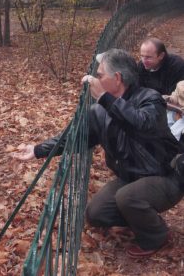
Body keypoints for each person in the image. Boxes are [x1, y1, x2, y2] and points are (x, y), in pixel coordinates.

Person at [13, 48, 184, 258]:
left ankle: (157, 236)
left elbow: (140, 123)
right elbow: (75, 137)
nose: (94, 78)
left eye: (100, 74)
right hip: (131, 177)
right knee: (97, 214)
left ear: (117, 78)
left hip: (164, 176)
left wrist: (104, 97)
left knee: (127, 197)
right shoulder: (100, 111)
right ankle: (142, 217)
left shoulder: (150, 99)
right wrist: (38, 149)